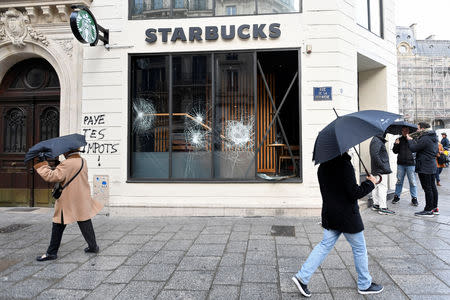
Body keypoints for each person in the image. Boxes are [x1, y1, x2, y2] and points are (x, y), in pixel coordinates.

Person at [292, 152, 383, 297]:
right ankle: (365, 284)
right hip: (347, 216)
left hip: (330, 214)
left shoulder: (322, 166)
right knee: (359, 248)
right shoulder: (345, 165)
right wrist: (370, 183)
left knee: (324, 245)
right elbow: (354, 193)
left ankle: (302, 277)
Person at [34, 149, 103, 261]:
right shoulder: (82, 161)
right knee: (84, 220)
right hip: (81, 197)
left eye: (64, 152)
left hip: (68, 198)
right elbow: (69, 174)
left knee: (58, 223)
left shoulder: (67, 163)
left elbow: (52, 177)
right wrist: (59, 166)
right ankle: (93, 246)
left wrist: (43, 164)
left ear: (67, 152)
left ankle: (51, 253)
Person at [407, 122, 439, 217]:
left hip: (425, 166)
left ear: (422, 129)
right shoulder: (433, 137)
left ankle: (428, 210)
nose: (416, 130)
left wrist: (410, 140)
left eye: (418, 128)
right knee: (432, 187)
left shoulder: (425, 138)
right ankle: (434, 208)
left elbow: (413, 148)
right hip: (431, 165)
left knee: (427, 188)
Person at [392, 126, 418, 206]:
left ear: (409, 131)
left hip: (410, 164)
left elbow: (416, 149)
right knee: (399, 181)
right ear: (401, 131)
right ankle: (397, 196)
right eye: (403, 131)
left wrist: (410, 140)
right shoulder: (399, 139)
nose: (405, 132)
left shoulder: (413, 139)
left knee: (412, 182)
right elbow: (395, 151)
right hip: (401, 164)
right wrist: (396, 144)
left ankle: (414, 198)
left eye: (406, 130)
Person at [369, 133, 395, 215]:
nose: (386, 133)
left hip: (378, 169)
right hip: (380, 170)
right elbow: (374, 155)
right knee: (382, 187)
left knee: (377, 187)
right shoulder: (377, 140)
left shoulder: (377, 139)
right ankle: (383, 207)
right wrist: (382, 166)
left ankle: (376, 205)